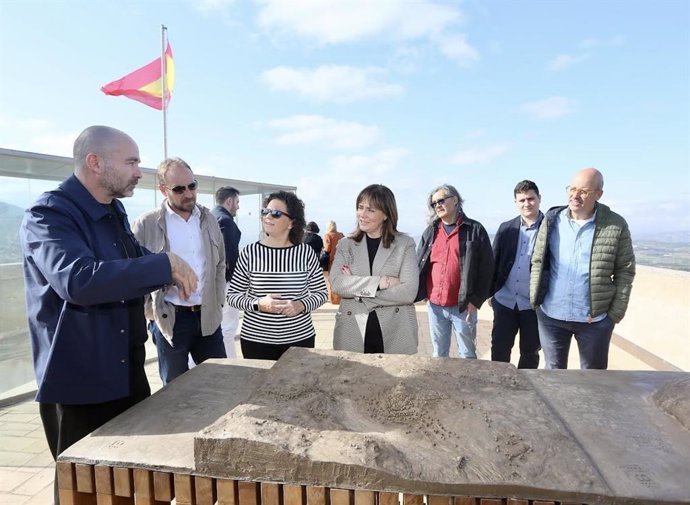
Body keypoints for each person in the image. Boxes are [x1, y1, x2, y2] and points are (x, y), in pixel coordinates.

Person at [19, 125, 197, 504]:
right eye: (131, 161)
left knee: (130, 484)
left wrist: (167, 265)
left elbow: (133, 262)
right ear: (95, 162)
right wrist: (163, 265)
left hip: (127, 372)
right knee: (83, 490)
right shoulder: (49, 214)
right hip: (80, 381)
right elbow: (78, 281)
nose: (138, 171)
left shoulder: (114, 211)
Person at [132, 158, 227, 384]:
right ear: (163, 190)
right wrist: (150, 312)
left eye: (192, 186)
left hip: (208, 317)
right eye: (179, 189)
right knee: (174, 392)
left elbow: (220, 264)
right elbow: (133, 270)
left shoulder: (209, 219)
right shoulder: (146, 224)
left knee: (220, 383)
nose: (188, 194)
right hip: (171, 320)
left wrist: (219, 300)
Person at [530, 168, 636, 370]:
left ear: (598, 194)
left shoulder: (616, 225)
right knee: (553, 377)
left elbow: (625, 270)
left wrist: (614, 315)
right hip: (551, 315)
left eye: (583, 191)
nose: (575, 195)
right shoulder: (552, 220)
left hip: (594, 321)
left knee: (593, 382)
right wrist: (537, 302)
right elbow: (538, 261)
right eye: (572, 188)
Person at [227, 191, 328, 360]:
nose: (268, 217)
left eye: (276, 213)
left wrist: (301, 305)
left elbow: (321, 294)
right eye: (265, 212)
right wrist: (259, 304)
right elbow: (233, 296)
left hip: (299, 340)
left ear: (291, 223)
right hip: (256, 342)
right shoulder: (250, 253)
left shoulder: (305, 253)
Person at [330, 184, 419, 354]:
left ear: (386, 214)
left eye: (370, 210)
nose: (362, 214)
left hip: (396, 330)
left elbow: (408, 292)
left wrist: (357, 291)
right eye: (360, 207)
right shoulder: (346, 245)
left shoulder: (405, 244)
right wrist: (381, 282)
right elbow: (337, 284)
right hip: (352, 329)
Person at [416, 184, 493, 358]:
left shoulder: (475, 230)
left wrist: (475, 301)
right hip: (435, 306)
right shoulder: (431, 231)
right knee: (439, 355)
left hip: (464, 307)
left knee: (467, 355)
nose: (437, 205)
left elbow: (487, 270)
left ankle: (468, 386)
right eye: (434, 203)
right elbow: (420, 263)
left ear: (455, 200)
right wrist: (424, 292)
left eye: (441, 200)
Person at [489, 180, 544, 369]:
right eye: (521, 200)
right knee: (499, 350)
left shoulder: (551, 228)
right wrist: (491, 294)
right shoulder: (506, 228)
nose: (526, 204)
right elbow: (494, 262)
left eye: (531, 199)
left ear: (539, 199)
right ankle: (498, 389)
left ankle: (525, 393)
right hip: (505, 301)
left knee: (530, 353)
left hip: (533, 306)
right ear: (515, 203)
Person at [212, 186, 242, 358]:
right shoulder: (226, 221)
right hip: (225, 284)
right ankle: (231, 366)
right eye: (237, 202)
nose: (238, 207)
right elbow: (228, 258)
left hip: (212, 284)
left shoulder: (210, 217)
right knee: (228, 328)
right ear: (229, 201)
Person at [323, 220, 345, 304]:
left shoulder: (327, 235)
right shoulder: (341, 235)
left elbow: (327, 248)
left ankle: (335, 300)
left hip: (333, 260)